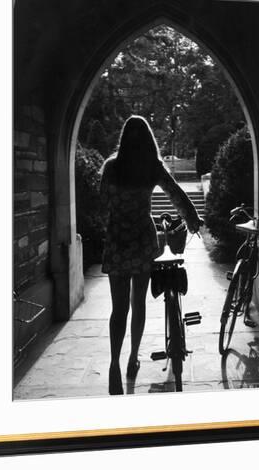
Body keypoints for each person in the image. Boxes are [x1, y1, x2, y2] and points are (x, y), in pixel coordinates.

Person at [99, 115, 203, 395]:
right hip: (142, 241)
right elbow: (176, 194)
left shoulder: (111, 167)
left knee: (118, 308)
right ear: (148, 139)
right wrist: (192, 219)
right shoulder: (152, 166)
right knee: (139, 303)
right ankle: (133, 357)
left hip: (118, 240)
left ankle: (113, 364)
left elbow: (102, 203)